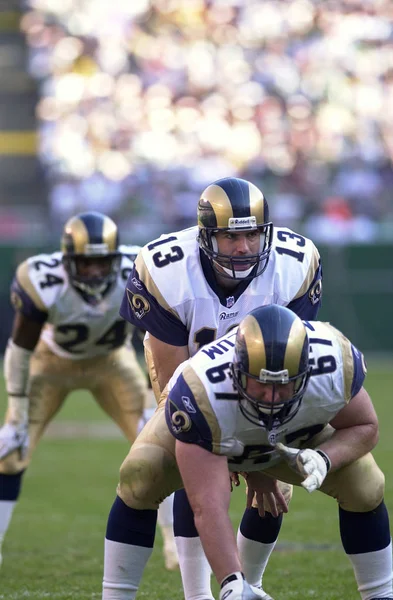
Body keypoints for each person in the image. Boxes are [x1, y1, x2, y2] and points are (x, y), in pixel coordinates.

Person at [103, 176, 323, 600]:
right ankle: (197, 595)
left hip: (267, 389)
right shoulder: (166, 268)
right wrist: (214, 444)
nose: (242, 247)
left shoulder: (295, 262)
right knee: (176, 468)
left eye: (252, 235)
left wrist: (259, 463)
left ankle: (248, 586)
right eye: (230, 237)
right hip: (186, 379)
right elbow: (175, 378)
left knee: (276, 485)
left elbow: (293, 361)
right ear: (206, 236)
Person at [105, 304, 392, 600]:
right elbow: (208, 505)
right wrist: (231, 583)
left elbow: (366, 426)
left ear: (307, 371)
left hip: (291, 432)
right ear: (237, 370)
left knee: (367, 485)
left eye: (283, 385)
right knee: (140, 473)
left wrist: (325, 457)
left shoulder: (334, 361)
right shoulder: (202, 389)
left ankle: (382, 593)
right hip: (217, 422)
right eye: (261, 384)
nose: (271, 397)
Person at [0, 211, 178, 571]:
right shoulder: (43, 279)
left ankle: (176, 544)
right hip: (49, 364)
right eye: (86, 263)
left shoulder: (139, 269)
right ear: (67, 259)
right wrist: (16, 410)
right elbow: (19, 350)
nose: (96, 272)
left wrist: (153, 391)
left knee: (161, 450)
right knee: (11, 450)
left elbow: (158, 337)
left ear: (115, 259)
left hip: (112, 363)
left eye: (102, 263)